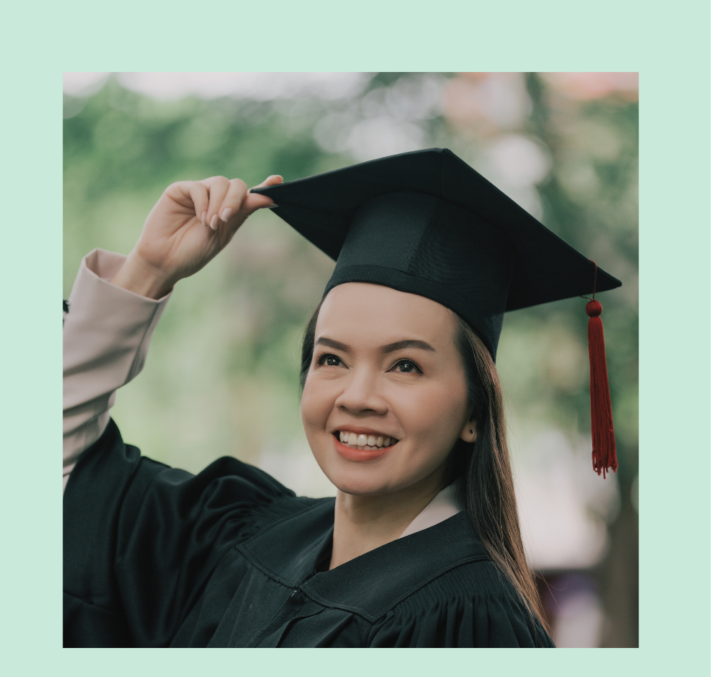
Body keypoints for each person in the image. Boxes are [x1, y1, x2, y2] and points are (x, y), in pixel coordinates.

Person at [63, 148, 620, 648]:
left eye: (405, 365)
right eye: (331, 359)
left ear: (474, 411)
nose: (358, 397)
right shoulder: (243, 534)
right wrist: (147, 272)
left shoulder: (469, 624)